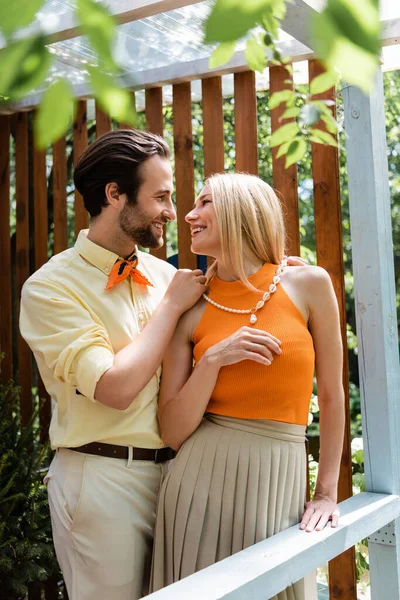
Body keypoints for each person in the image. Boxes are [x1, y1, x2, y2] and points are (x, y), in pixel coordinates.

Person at [19, 129, 208, 600]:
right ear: (114, 194)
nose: (171, 211)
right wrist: (169, 308)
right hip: (102, 481)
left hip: (178, 481)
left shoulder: (169, 277)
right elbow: (114, 387)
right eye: (160, 196)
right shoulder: (49, 288)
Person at [150, 172, 345, 599]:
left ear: (241, 210)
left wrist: (327, 492)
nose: (188, 214)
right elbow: (172, 430)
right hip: (197, 485)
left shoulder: (309, 284)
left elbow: (332, 396)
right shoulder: (190, 306)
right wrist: (214, 361)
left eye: (204, 203)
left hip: (280, 477)